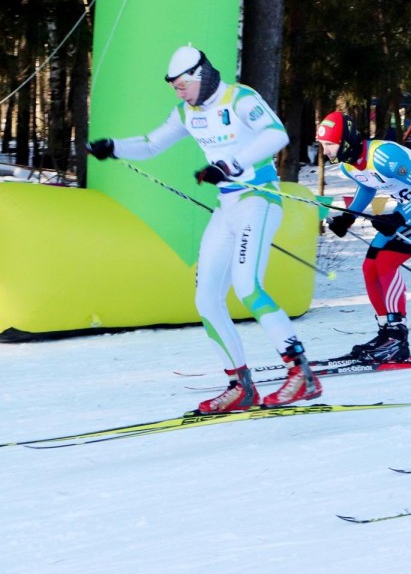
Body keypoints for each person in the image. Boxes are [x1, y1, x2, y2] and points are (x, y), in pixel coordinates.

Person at [86, 45, 322, 412]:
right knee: (206, 299)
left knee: (247, 286)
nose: (178, 92)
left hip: (257, 201)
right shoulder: (186, 112)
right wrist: (114, 147)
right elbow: (151, 145)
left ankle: (300, 374)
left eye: (181, 85)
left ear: (199, 75)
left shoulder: (239, 98)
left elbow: (276, 135)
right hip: (226, 206)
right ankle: (240, 386)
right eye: (175, 87)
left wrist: (230, 164)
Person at [316, 110, 411, 362]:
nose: (326, 151)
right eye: (323, 145)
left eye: (329, 145)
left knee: (385, 262)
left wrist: (399, 218)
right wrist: (349, 217)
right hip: (408, 210)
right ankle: (385, 332)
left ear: (345, 140)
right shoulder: (349, 166)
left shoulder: (383, 156)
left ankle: (398, 337)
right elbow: (367, 186)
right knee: (370, 266)